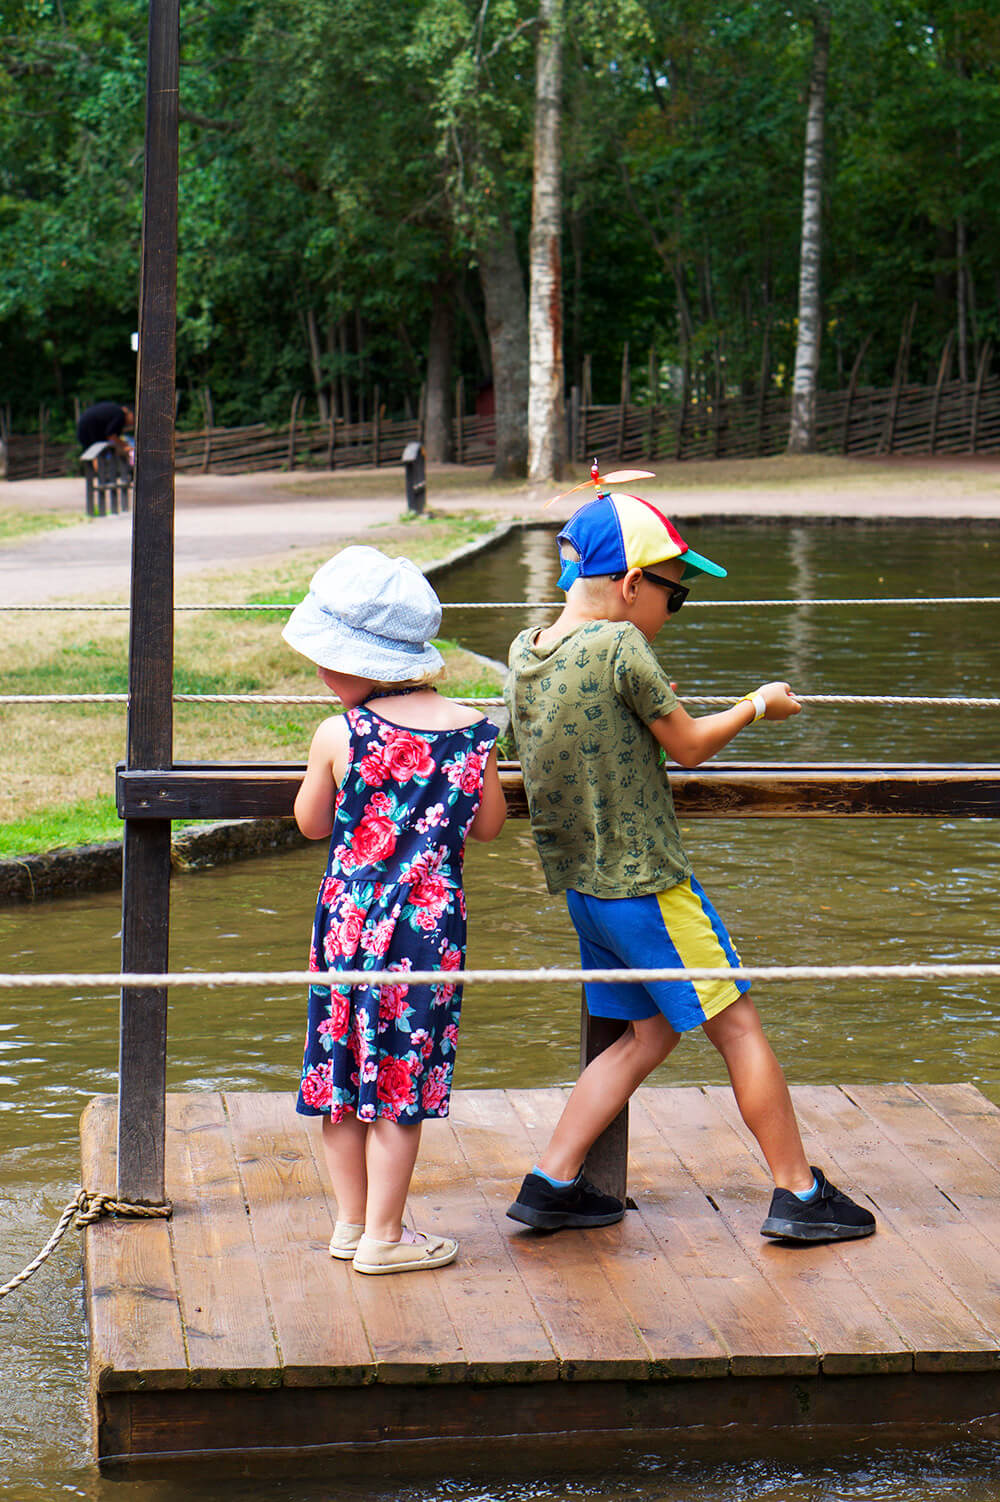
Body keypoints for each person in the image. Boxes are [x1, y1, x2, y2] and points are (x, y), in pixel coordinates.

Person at [503, 489, 876, 1245]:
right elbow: (692, 745)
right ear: (634, 582)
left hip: (585, 891)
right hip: (646, 885)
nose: (677, 611)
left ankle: (553, 1183)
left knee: (644, 1035)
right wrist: (757, 704)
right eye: (678, 595)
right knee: (738, 1026)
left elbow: (551, 734)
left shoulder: (526, 651)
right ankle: (799, 1193)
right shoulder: (619, 646)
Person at [283, 546, 506, 1274]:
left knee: (341, 1072)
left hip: (348, 927)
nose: (320, 671)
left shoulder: (340, 735)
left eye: (327, 657)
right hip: (429, 930)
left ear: (366, 661)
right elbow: (490, 824)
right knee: (402, 1078)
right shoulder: (474, 731)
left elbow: (311, 823)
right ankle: (383, 1232)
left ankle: (357, 1227)